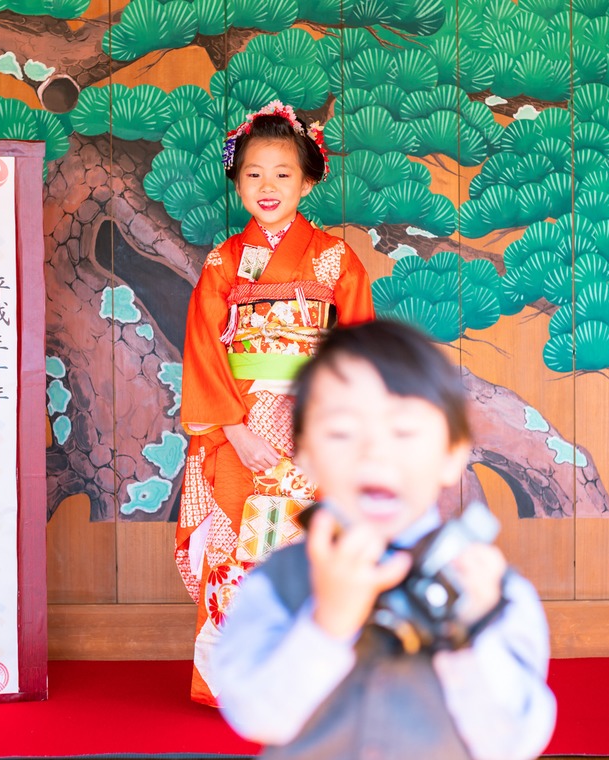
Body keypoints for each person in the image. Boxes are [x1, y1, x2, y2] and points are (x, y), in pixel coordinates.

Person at [211, 320, 557, 760]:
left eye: (404, 432)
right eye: (342, 432)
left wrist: (471, 632)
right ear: (306, 455)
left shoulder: (494, 593)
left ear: (452, 455)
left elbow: (514, 744)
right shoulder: (278, 580)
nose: (374, 451)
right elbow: (256, 716)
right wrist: (329, 622)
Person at [175, 101, 375, 705]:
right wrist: (235, 430)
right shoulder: (223, 263)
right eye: (254, 174)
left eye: (283, 174)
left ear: (308, 181)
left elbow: (359, 351)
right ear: (237, 184)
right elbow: (203, 349)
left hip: (313, 424)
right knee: (235, 545)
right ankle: (236, 682)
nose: (268, 186)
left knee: (310, 546)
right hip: (240, 424)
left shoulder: (336, 258)